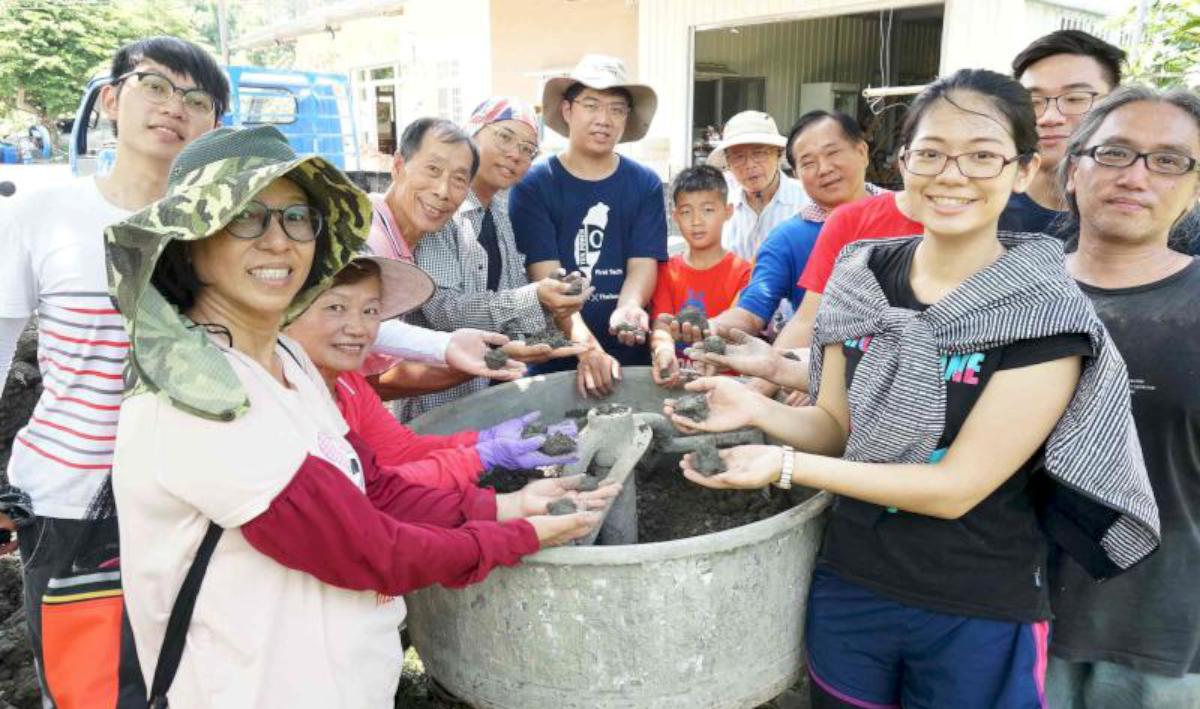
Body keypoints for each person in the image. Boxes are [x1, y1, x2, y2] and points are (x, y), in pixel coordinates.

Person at [664, 69, 1159, 709]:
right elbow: (836, 429)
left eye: (982, 156)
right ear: (903, 164)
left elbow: (955, 488)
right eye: (931, 153)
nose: (952, 175)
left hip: (976, 604)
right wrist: (754, 407)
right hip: (851, 583)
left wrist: (781, 463)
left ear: (1021, 168)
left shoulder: (1043, 309)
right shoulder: (859, 276)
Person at [107, 126, 614, 707]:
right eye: (247, 217)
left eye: (298, 218)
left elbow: (372, 486)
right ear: (188, 241)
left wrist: (500, 504)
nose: (279, 242)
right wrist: (515, 534)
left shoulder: (288, 360)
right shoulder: (197, 397)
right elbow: (370, 549)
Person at [0, 36, 228, 707]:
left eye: (196, 98)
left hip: (191, 494)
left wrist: (438, 346)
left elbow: (311, 315)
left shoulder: (218, 229)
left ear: (214, 124)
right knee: (89, 686)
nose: (174, 108)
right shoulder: (41, 216)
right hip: (74, 497)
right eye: (154, 86)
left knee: (183, 679)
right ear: (111, 99)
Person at [1046, 86, 1200, 708]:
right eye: (1114, 152)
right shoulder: (1005, 294)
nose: (1137, 175)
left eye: (1169, 160)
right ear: (1074, 168)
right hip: (1008, 619)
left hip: (1163, 643)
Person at [284, 253, 580, 489]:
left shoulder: (348, 385)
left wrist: (484, 441)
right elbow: (371, 491)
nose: (357, 328)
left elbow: (401, 452)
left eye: (371, 311)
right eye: (335, 307)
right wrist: (481, 461)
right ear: (286, 310)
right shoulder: (282, 400)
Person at [402, 98, 588, 418]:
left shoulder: (501, 212)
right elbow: (443, 309)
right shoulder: (441, 209)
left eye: (528, 149)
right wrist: (534, 298)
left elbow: (512, 292)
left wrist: (552, 302)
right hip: (438, 403)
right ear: (472, 135)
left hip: (488, 395)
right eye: (504, 137)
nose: (515, 154)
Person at [510, 54, 668, 398]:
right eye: (591, 105)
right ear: (567, 111)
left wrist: (629, 307)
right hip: (554, 359)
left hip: (629, 359)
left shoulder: (645, 184)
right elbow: (546, 277)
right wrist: (588, 348)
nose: (603, 119)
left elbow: (643, 264)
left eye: (616, 109)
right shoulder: (535, 185)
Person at [364, 116, 528, 402]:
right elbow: (367, 338)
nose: (442, 191)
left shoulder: (404, 241)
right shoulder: (369, 237)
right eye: (432, 169)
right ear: (398, 165)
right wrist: (455, 348)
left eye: (458, 180)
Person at [707, 111, 882, 339]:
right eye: (808, 162)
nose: (824, 169)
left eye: (833, 153)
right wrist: (709, 328)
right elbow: (756, 306)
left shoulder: (912, 216)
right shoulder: (789, 235)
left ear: (862, 152)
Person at [1004, 29, 1125, 237]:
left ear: (1118, 105)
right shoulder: (987, 204)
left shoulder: (1152, 209)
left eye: (1075, 99)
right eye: (1033, 102)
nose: (1049, 117)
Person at [647, 165, 750, 386]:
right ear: (675, 216)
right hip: (677, 378)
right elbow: (662, 324)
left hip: (727, 385)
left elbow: (738, 332)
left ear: (728, 211)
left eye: (708, 210)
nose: (696, 221)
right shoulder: (666, 270)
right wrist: (664, 351)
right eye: (686, 211)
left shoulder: (744, 273)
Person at [706, 110, 808, 264]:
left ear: (778, 154)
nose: (750, 165)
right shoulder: (722, 209)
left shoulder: (808, 201)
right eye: (739, 157)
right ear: (728, 163)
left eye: (759, 153)